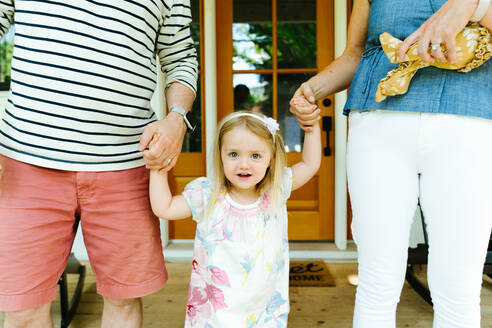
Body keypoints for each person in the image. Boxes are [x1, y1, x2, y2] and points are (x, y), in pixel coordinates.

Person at [289, 0, 492, 327]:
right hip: (378, 125)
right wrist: (313, 89)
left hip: (468, 124)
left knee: (458, 286)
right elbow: (356, 53)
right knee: (377, 281)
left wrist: (474, 6)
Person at [0, 1, 198, 327]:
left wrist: (177, 118)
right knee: (22, 309)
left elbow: (181, 59)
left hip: (127, 165)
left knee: (123, 299)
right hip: (27, 162)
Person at [147, 111, 321, 327]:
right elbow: (165, 208)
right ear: (220, 154)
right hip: (216, 315)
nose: (244, 165)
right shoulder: (208, 195)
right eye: (234, 154)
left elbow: (310, 164)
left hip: (263, 312)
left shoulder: (275, 190)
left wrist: (312, 125)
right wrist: (158, 167)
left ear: (271, 158)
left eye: (255, 156)